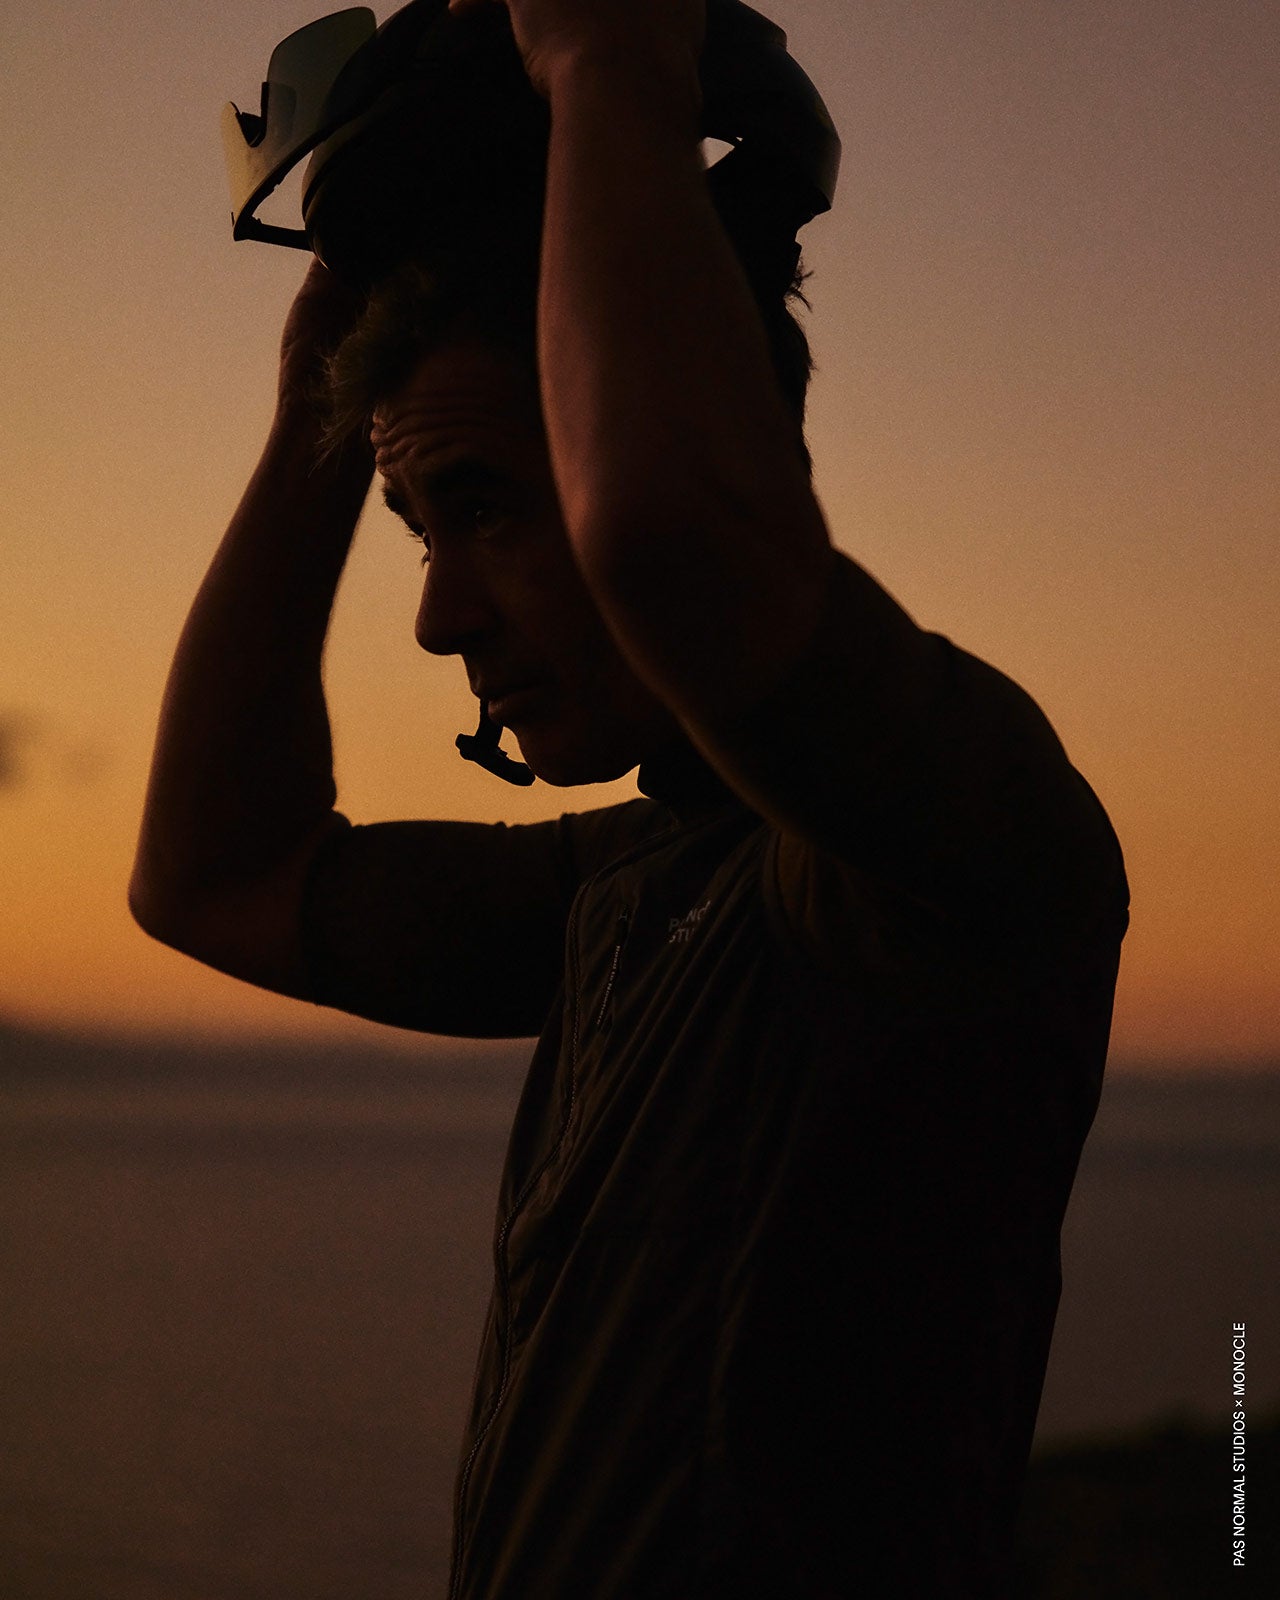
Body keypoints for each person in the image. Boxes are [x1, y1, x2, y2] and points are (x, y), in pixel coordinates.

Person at [131, 1, 1128, 1593]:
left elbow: (675, 538)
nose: (437, 618)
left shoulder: (954, 842)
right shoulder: (623, 894)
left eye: (486, 506)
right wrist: (322, 379)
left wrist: (607, 63)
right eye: (415, 525)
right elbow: (212, 874)